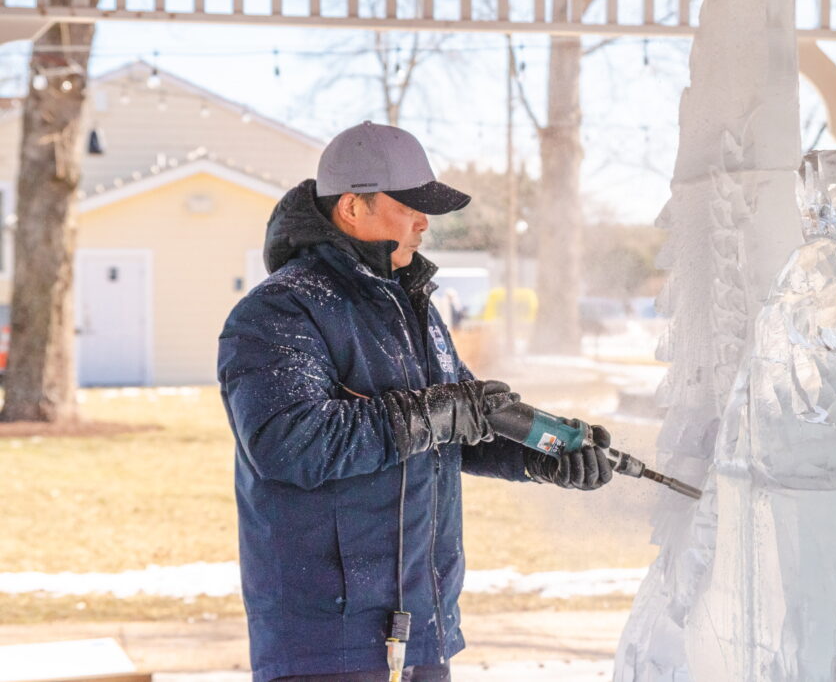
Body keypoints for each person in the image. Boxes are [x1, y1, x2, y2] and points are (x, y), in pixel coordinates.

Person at [217, 121, 614, 682]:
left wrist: (542, 454)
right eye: (410, 206)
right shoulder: (281, 311)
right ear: (353, 207)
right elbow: (291, 445)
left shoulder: (414, 309)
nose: (424, 223)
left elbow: (461, 425)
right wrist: (435, 413)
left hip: (421, 624)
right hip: (329, 639)